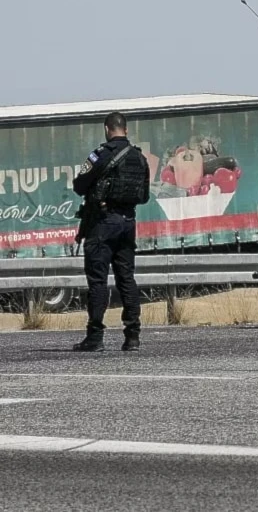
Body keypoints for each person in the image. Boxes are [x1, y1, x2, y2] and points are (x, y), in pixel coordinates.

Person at [71, 111, 151, 352]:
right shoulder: (139, 158)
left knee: (97, 280)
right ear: (125, 130)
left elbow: (79, 185)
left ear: (107, 129)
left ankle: (95, 336)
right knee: (126, 278)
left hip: (103, 223)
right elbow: (144, 196)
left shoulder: (100, 155)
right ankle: (132, 336)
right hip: (128, 223)